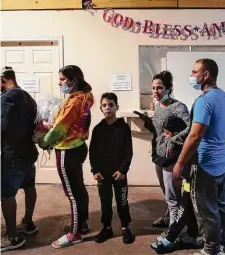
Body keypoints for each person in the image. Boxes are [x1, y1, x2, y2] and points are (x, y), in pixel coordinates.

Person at [173, 58, 225, 255]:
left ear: (205, 75)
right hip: (221, 162)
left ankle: (210, 249)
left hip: (205, 164)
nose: (192, 76)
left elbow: (195, 135)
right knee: (222, 206)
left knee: (207, 211)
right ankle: (224, 245)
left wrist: (180, 161)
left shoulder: (204, 101)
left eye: (194, 72)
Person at [39, 65, 94, 249]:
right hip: (78, 146)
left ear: (73, 80)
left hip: (67, 149)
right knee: (78, 188)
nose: (59, 83)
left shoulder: (73, 102)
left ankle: (75, 234)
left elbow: (60, 128)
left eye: (62, 79)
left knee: (72, 194)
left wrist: (45, 141)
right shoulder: (84, 97)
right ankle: (82, 224)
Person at [140, 71, 191, 228]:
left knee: (173, 195)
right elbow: (161, 130)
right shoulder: (157, 106)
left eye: (160, 88)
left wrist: (173, 141)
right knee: (166, 192)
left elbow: (189, 128)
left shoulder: (178, 107)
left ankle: (174, 231)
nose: (155, 91)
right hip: (158, 155)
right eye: (154, 88)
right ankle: (169, 217)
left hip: (172, 157)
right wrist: (149, 122)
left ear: (168, 88)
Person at [1, 66, 39, 252]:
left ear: (2, 79)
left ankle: (13, 238)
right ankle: (28, 223)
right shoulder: (28, 97)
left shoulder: (7, 98)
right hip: (28, 153)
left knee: (6, 194)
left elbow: (2, 126)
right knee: (29, 186)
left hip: (12, 155)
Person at [89, 92, 135, 244]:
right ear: (101, 109)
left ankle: (125, 228)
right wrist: (95, 170)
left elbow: (128, 151)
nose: (107, 108)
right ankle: (107, 228)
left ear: (117, 107)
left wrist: (123, 170)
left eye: (111, 105)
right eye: (104, 105)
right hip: (103, 174)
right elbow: (93, 152)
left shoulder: (123, 128)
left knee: (122, 201)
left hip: (119, 173)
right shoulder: (97, 129)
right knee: (105, 203)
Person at [150, 116, 201, 253]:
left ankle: (171, 236)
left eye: (167, 134)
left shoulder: (188, 146)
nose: (165, 137)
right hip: (187, 181)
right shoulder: (173, 143)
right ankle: (192, 235)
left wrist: (177, 163)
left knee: (183, 207)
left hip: (190, 180)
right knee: (186, 208)